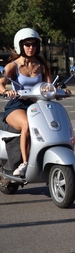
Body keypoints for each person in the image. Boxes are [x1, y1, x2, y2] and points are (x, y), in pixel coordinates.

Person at [0, 28, 52, 177]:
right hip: (17, 105)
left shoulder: (41, 65)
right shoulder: (13, 66)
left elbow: (49, 85)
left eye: (34, 44)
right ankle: (24, 163)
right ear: (20, 46)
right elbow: (1, 84)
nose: (31, 48)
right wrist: (6, 91)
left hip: (37, 105)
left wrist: (61, 91)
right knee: (27, 125)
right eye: (27, 44)